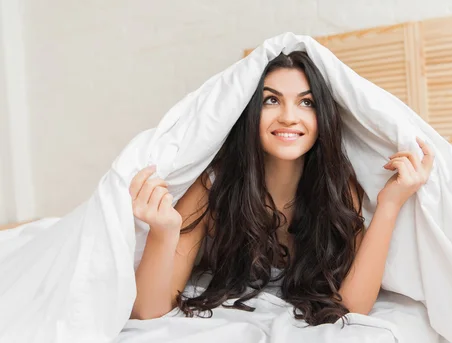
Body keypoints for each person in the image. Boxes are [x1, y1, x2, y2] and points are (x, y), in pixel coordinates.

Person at [129, 51, 434, 325]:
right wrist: (163, 233)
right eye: (271, 100)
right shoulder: (214, 187)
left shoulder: (338, 189)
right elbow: (147, 311)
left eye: (306, 102)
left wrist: (389, 206)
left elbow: (352, 307)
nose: (289, 117)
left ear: (323, 116)